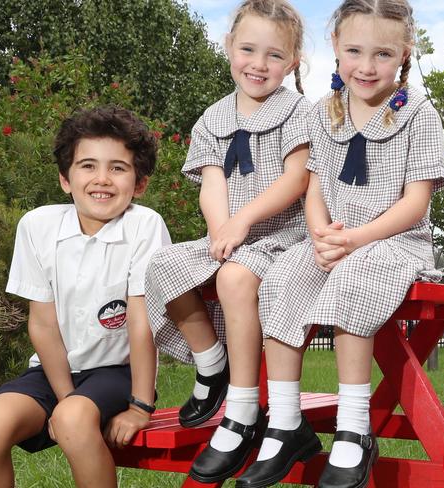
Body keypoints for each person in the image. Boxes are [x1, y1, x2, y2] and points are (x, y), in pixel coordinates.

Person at [236, 1, 444, 487]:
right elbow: (314, 188)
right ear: (335, 47)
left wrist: (356, 239)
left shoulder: (417, 114)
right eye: (354, 51)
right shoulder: (322, 112)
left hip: (394, 240)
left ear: (404, 53)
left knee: (353, 281)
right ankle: (286, 423)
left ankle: (355, 429)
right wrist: (321, 234)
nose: (366, 66)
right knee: (284, 278)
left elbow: (415, 203)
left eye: (382, 54)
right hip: (334, 239)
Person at [144, 0, 310, 483]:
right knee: (164, 265)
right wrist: (221, 228)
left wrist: (243, 223)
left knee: (236, 277)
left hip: (280, 234)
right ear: (229, 48)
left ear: (293, 61)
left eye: (274, 55)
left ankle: (241, 411)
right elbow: (212, 182)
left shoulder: (300, 112)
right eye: (248, 50)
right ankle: (212, 364)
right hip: (230, 232)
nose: (259, 64)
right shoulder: (213, 118)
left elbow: (297, 178)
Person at [0, 105, 171, 488]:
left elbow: (142, 324)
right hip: (54, 372)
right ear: (65, 177)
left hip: (117, 372)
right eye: (88, 165)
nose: (102, 179)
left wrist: (140, 406)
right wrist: (64, 397)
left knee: (74, 419)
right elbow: (42, 324)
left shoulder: (144, 227)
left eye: (118, 168)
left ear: (139, 183)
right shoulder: (38, 226)